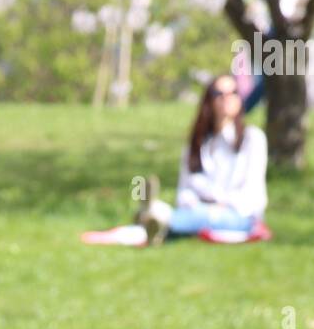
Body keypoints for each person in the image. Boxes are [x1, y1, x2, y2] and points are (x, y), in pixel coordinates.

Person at [81, 73, 269, 248]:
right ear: (209, 100)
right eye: (219, 93)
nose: (226, 98)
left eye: (233, 92)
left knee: (203, 215)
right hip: (198, 209)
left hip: (238, 215)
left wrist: (217, 202)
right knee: (196, 214)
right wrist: (195, 202)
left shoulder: (252, 139)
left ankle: (155, 217)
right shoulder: (199, 143)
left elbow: (251, 194)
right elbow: (185, 190)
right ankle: (156, 219)